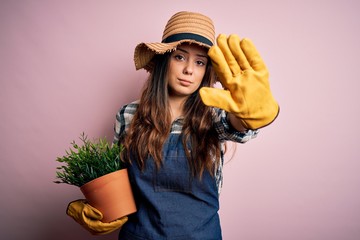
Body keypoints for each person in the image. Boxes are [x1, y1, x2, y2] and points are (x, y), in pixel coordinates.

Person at [66, 11, 279, 240]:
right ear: (164, 60)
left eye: (200, 62)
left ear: (206, 71)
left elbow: (235, 126)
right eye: (180, 57)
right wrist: (93, 207)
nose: (189, 69)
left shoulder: (214, 115)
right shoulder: (129, 115)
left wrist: (248, 117)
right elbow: (115, 183)